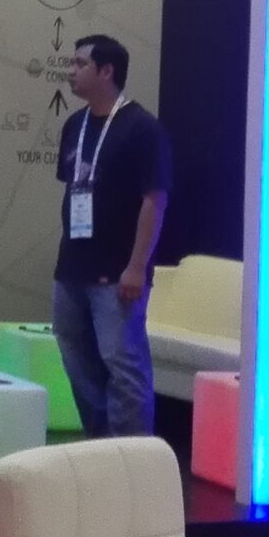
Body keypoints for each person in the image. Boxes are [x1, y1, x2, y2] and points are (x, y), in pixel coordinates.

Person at [49, 34, 170, 439]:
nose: (71, 71)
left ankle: (132, 454)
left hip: (118, 270)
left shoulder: (142, 128)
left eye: (80, 64)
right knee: (74, 355)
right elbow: (74, 190)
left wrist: (137, 266)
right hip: (72, 266)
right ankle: (100, 443)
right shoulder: (74, 125)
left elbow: (154, 199)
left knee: (123, 364)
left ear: (106, 71)